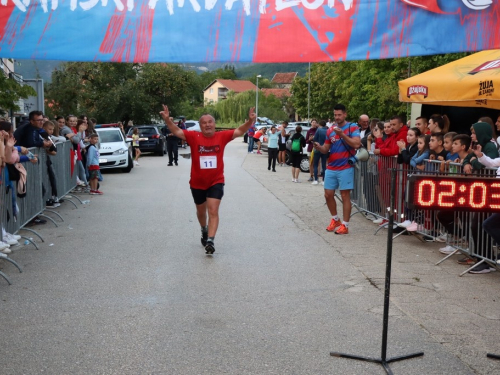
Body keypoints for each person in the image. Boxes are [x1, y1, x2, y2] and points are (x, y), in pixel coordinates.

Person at [159, 105, 256, 255]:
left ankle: (210, 240)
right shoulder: (193, 137)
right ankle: (204, 229)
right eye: (204, 123)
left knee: (213, 210)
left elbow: (239, 131)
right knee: (201, 212)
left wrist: (250, 121)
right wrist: (167, 120)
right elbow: (177, 131)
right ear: (200, 126)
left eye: (210, 122)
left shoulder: (221, 136)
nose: (207, 125)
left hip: (215, 181)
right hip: (197, 183)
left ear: (214, 124)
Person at [314, 104, 361, 235]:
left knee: (345, 195)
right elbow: (325, 149)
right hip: (331, 166)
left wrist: (342, 135)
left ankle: (345, 225)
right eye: (335, 115)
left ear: (345, 114)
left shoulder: (352, 127)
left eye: (339, 115)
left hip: (346, 166)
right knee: (328, 194)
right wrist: (319, 147)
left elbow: (356, 144)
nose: (337, 117)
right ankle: (335, 219)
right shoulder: (330, 130)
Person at [311, 120, 328, 185]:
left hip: (318, 148)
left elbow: (315, 139)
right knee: (324, 165)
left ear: (320, 124)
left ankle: (316, 179)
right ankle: (323, 180)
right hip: (325, 148)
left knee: (315, 164)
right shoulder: (327, 130)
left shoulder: (318, 130)